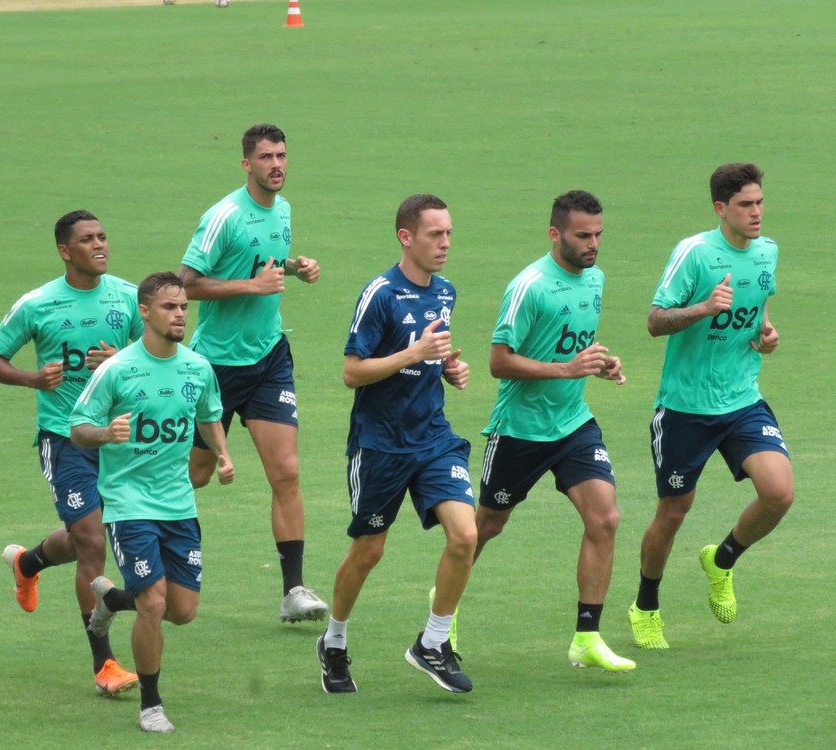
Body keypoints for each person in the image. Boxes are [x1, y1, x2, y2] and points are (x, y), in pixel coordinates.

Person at [316, 193, 477, 695]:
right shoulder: (381, 294)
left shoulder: (445, 292)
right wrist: (415, 353)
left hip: (433, 438)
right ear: (406, 237)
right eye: (435, 234)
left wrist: (448, 368)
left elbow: (432, 355)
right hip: (380, 444)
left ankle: (433, 642)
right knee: (369, 551)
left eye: (449, 233)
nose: (445, 243)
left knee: (465, 536)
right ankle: (334, 642)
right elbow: (352, 372)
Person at [629, 163, 794, 649]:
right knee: (673, 512)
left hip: (742, 399)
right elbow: (655, 321)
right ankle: (645, 606)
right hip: (686, 408)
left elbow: (760, 307)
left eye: (759, 202)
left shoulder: (767, 251)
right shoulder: (695, 253)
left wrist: (766, 334)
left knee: (779, 493)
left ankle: (721, 560)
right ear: (721, 208)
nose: (756, 212)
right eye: (745, 204)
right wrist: (703, 308)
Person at [474, 190, 635, 673]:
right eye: (583, 235)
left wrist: (599, 363)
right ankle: (445, 606)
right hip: (520, 430)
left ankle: (587, 637)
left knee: (605, 519)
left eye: (599, 235)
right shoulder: (530, 286)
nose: (593, 244)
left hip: (573, 423)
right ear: (554, 233)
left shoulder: (596, 278)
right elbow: (499, 362)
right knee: (486, 527)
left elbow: (572, 345)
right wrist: (566, 369)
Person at [0, 210, 141, 695]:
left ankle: (28, 563)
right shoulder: (38, 304)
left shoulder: (128, 297)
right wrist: (31, 378)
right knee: (92, 541)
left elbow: (160, 353)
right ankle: (104, 663)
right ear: (64, 251)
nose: (100, 245)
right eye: (87, 239)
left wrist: (123, 360)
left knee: (83, 538)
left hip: (115, 438)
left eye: (103, 236)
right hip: (65, 438)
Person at [70, 271, 234, 733]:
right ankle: (151, 704)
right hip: (129, 504)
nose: (180, 314)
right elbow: (77, 427)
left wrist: (223, 454)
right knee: (155, 604)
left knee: (182, 611)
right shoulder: (117, 369)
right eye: (169, 307)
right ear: (144, 312)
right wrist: (106, 433)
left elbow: (209, 416)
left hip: (179, 505)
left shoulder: (198, 367)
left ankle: (110, 600)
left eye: (183, 307)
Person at [178, 123, 327, 623]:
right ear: (247, 164)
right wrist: (251, 286)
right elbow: (185, 285)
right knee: (195, 475)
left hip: (269, 358)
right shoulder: (223, 217)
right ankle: (137, 514)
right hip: (216, 366)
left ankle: (294, 590)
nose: (276, 164)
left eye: (281, 155)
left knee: (286, 472)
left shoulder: (282, 209)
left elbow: (264, 262)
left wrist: (295, 267)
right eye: (265, 157)